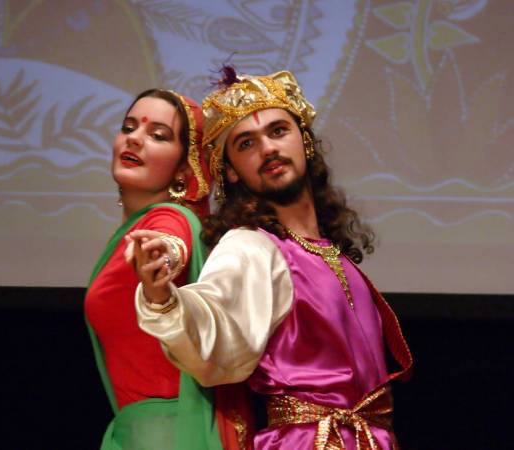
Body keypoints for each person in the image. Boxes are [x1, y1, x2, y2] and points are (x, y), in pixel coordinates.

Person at [130, 69, 413, 449]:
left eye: (278, 131)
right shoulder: (252, 247)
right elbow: (214, 323)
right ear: (232, 171)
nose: (267, 149)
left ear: (305, 142)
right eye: (246, 143)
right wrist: (164, 299)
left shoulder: (334, 256)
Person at [84, 89, 239, 450]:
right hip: (136, 432)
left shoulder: (171, 218)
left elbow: (173, 242)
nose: (135, 139)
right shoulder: (133, 231)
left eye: (158, 135)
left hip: (170, 434)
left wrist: (164, 257)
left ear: (184, 169)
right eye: (128, 128)